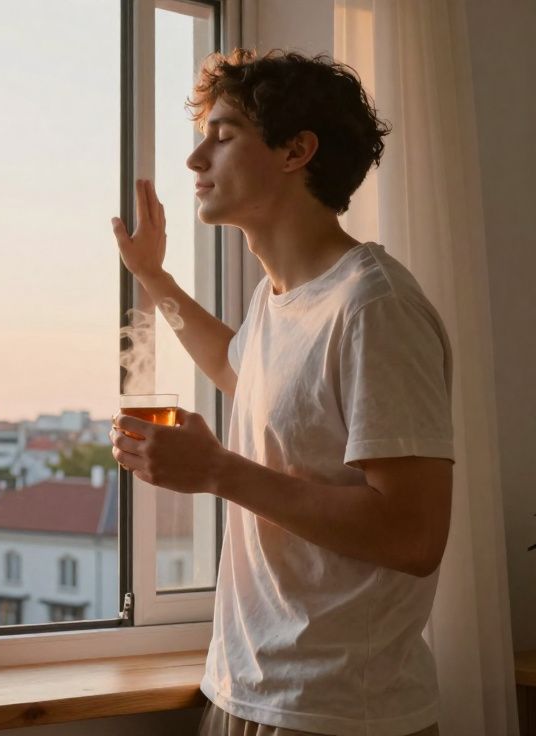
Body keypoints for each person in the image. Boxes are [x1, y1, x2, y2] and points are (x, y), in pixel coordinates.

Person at [109, 49, 451, 736]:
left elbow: (413, 535)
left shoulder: (373, 308)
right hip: (245, 690)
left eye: (224, 134)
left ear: (296, 151)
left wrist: (216, 471)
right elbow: (241, 371)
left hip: (337, 713)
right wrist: (155, 280)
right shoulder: (281, 301)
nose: (195, 159)